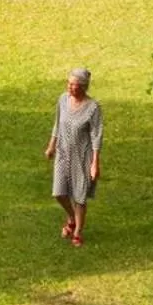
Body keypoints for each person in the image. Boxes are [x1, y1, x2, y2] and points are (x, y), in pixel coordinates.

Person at [45, 68, 103, 246]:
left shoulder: (93, 108)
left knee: (79, 196)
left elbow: (96, 136)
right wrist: (51, 146)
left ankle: (77, 231)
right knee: (59, 193)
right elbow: (57, 124)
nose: (70, 87)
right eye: (68, 84)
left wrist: (95, 163)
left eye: (74, 85)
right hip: (63, 153)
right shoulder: (62, 100)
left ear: (83, 87)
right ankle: (71, 218)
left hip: (82, 156)